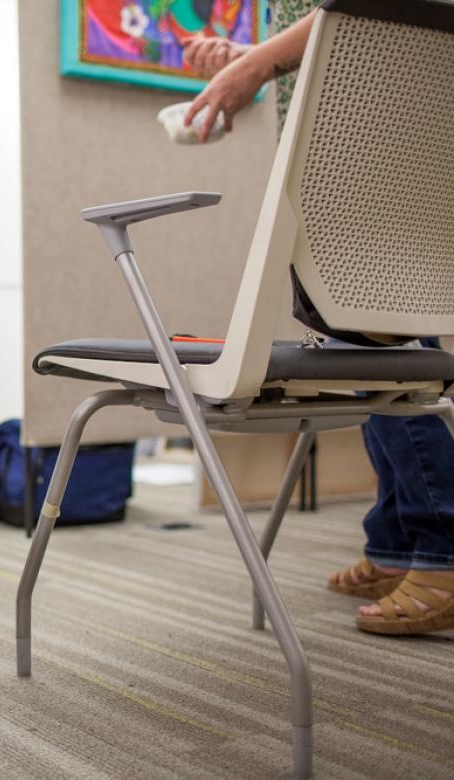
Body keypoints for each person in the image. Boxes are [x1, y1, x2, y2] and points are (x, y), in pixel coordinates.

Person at [184, 5, 454, 635]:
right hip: (365, 147)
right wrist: (253, 53)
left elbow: (375, 9)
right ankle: (397, 540)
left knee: (380, 349)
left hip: (373, 149)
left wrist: (257, 60)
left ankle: (443, 549)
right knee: (377, 345)